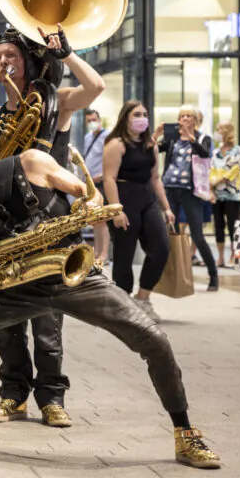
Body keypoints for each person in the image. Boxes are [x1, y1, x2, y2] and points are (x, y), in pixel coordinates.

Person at [0, 114, 221, 471]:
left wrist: (89, 207)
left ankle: (185, 433)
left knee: (153, 338)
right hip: (19, 288)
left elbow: (85, 196)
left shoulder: (31, 162)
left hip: (73, 274)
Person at [0, 26, 105, 428]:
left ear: (28, 61)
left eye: (11, 56)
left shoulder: (59, 102)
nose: (4, 63)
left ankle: (52, 398)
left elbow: (96, 87)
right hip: (7, 226)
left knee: (47, 318)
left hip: (51, 221)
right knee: (5, 318)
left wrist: (67, 55)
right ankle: (13, 395)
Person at [101, 101, 174, 322]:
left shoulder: (150, 145)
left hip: (147, 200)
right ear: (126, 118)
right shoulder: (116, 144)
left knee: (161, 247)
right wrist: (116, 210)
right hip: (124, 199)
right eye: (136, 114)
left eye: (145, 114)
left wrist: (167, 208)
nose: (142, 117)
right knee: (124, 255)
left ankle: (143, 299)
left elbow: (156, 179)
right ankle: (123, 304)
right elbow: (109, 179)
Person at [154, 105, 217, 291]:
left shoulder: (203, 138)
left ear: (196, 120)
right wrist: (156, 135)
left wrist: (191, 139)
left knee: (197, 236)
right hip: (170, 190)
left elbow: (205, 154)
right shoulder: (172, 139)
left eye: (189, 116)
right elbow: (153, 149)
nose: (185, 119)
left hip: (191, 192)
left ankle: (213, 275)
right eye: (182, 116)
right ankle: (164, 275)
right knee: (166, 233)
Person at [210, 121, 240, 269]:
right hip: (217, 194)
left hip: (232, 194)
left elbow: (233, 171)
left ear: (227, 131)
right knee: (218, 226)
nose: (217, 132)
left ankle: (233, 256)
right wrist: (211, 187)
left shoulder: (237, 150)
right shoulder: (215, 152)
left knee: (232, 226)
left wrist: (217, 180)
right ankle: (221, 257)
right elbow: (212, 170)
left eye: (220, 129)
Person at [83, 109, 111, 261]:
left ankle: (104, 254)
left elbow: (109, 160)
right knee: (95, 221)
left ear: (99, 120)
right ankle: (97, 252)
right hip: (90, 184)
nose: (91, 123)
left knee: (102, 220)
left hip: (101, 182)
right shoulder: (88, 137)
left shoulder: (107, 137)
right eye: (88, 121)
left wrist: (101, 176)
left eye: (94, 119)